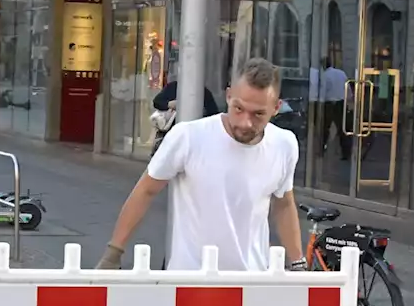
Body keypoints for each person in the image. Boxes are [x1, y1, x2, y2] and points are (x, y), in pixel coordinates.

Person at [96, 58, 306, 272]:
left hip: (251, 280)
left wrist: (298, 262)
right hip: (190, 278)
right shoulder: (189, 137)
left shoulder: (284, 144)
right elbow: (146, 191)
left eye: (258, 114)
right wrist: (113, 253)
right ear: (229, 96)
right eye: (239, 108)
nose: (245, 122)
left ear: (276, 108)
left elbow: (284, 204)